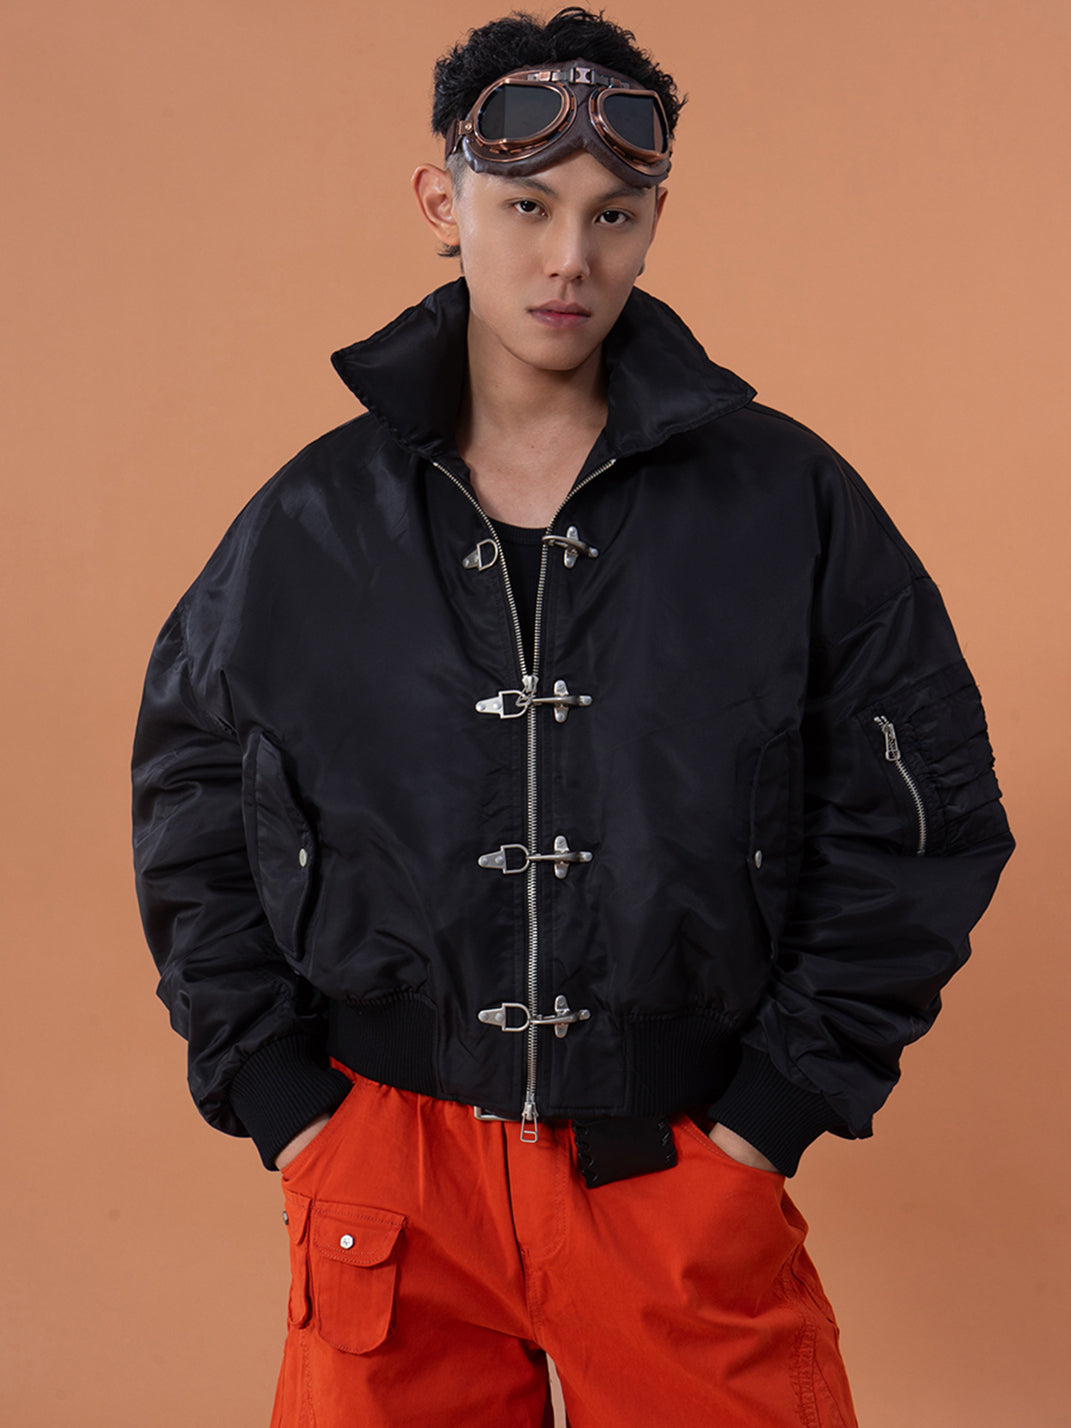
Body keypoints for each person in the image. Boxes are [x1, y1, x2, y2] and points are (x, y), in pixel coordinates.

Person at [131, 8, 1014, 1426]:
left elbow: (920, 813)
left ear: (656, 222)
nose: (569, 259)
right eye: (528, 206)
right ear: (445, 204)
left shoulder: (787, 503)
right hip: (389, 1179)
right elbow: (192, 796)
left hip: (673, 1165)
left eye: (614, 214)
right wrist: (286, 1101)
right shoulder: (313, 520)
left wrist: (771, 1112)